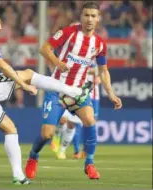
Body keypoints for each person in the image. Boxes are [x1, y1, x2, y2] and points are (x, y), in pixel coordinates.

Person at [0, 10, 92, 185]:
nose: (0, 26)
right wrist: (24, 84)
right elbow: (2, 65)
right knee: (27, 73)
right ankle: (74, 91)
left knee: (10, 128)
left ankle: (18, 176)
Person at [25, 2, 122, 180]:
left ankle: (89, 163)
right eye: (86, 15)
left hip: (78, 91)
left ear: (98, 18)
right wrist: (57, 62)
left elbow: (103, 70)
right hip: (56, 89)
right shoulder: (69, 32)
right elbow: (44, 48)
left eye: (93, 16)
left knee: (90, 120)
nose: (90, 19)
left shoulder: (99, 44)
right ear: (81, 16)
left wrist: (111, 93)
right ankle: (33, 156)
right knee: (47, 134)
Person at [51, 65, 101, 160]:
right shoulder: (76, 56)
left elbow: (100, 73)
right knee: (65, 120)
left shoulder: (95, 57)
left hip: (91, 96)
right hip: (74, 91)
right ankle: (59, 137)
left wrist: (97, 74)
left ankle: (66, 150)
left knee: (79, 124)